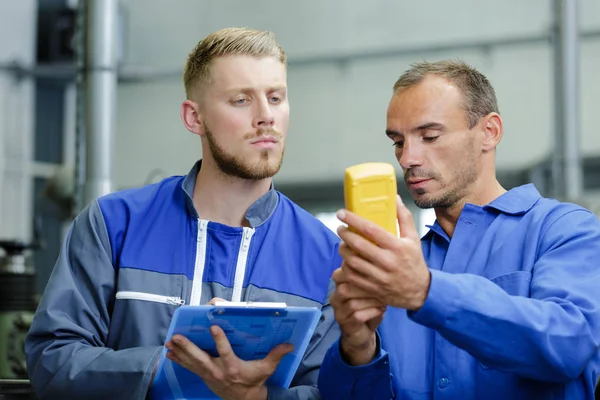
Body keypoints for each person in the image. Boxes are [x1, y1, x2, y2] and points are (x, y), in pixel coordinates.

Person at [25, 27, 342, 400]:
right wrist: (168, 367)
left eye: (275, 97)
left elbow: (330, 392)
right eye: (241, 100)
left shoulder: (325, 254)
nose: (266, 116)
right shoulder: (113, 225)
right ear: (194, 118)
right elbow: (52, 360)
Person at [317, 60, 600, 399]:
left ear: (489, 132)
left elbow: (568, 346)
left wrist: (427, 291)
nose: (407, 158)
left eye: (430, 136)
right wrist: (357, 349)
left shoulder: (564, 230)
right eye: (398, 141)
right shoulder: (396, 269)